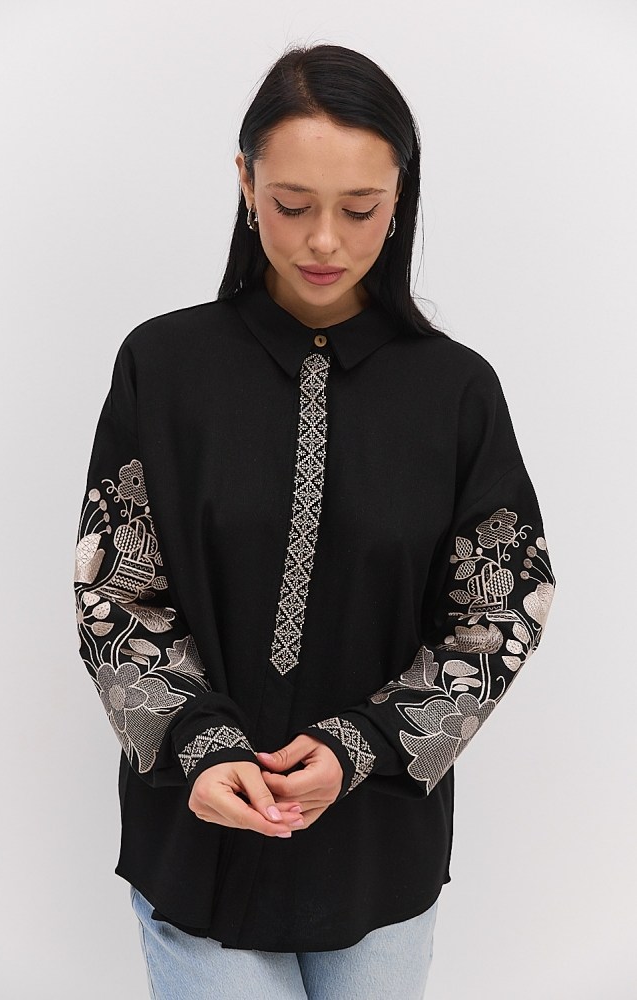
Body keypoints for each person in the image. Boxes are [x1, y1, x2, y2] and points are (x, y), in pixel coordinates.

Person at [73, 42, 556, 1000]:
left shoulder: (455, 391)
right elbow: (116, 591)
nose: (324, 241)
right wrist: (199, 746)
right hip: (199, 837)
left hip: (377, 846)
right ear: (245, 183)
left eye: (360, 209)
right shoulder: (163, 367)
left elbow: (502, 610)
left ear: (400, 196)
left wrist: (359, 745)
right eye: (293, 205)